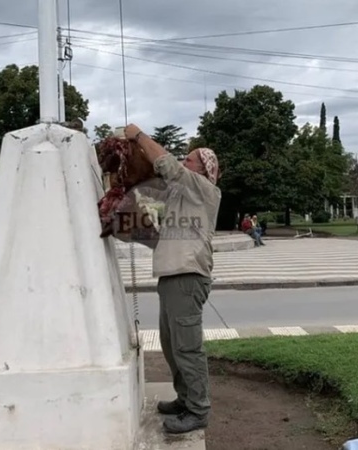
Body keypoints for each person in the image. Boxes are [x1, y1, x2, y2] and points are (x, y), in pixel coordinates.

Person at [123, 123, 221, 435]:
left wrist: (139, 136)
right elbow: (160, 234)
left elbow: (165, 163)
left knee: (187, 347)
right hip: (172, 277)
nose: (183, 161)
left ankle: (198, 409)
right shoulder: (182, 197)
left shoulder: (203, 188)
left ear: (204, 169)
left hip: (188, 276)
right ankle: (185, 398)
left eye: (190, 159)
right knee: (171, 345)